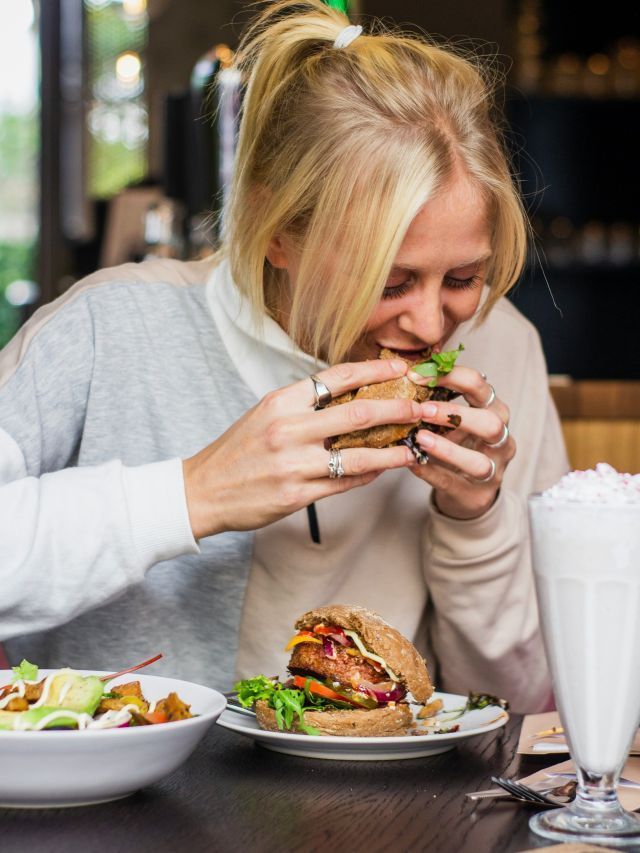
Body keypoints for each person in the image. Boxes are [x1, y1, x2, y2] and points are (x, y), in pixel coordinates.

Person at [0, 0, 567, 712]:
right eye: (388, 280)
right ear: (276, 231)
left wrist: (476, 519)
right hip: (116, 808)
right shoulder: (109, 325)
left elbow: (529, 705)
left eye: (461, 278)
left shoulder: (502, 347)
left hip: (399, 817)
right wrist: (194, 492)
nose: (432, 322)